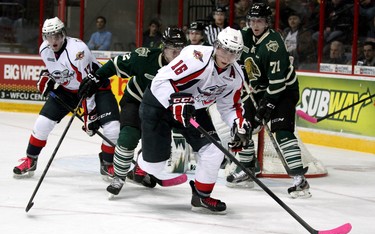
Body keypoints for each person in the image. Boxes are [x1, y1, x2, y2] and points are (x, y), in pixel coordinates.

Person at [137, 27, 251, 214]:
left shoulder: (235, 76)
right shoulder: (194, 56)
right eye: (224, 50)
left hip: (193, 110)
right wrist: (176, 100)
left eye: (233, 53)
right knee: (155, 165)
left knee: (214, 150)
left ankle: (201, 196)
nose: (227, 57)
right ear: (216, 46)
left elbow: (230, 107)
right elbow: (160, 81)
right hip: (159, 105)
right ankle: (141, 165)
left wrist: (238, 125)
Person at [78, 27, 188, 196]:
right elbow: (116, 64)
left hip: (163, 108)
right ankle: (119, 177)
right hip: (136, 100)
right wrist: (96, 77)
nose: (177, 55)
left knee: (159, 142)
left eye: (180, 50)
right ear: (163, 47)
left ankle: (142, 169)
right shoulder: (144, 57)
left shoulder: (189, 66)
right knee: (128, 136)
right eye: (173, 50)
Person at [13, 17, 120, 179]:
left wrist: (89, 115)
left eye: (56, 35)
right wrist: (48, 78)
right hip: (68, 91)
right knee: (42, 123)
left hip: (97, 89)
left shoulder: (78, 51)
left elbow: (87, 85)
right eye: (49, 36)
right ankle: (30, 159)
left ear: (63, 34)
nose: (53, 40)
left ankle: (107, 163)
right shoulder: (44, 50)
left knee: (112, 128)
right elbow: (59, 71)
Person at [226, 3, 312, 199]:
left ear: (267, 23)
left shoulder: (274, 44)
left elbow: (278, 82)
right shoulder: (244, 36)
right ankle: (248, 168)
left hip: (283, 91)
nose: (256, 25)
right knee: (243, 125)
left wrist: (268, 104)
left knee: (282, 132)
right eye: (253, 21)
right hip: (257, 90)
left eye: (260, 21)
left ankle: (299, 179)